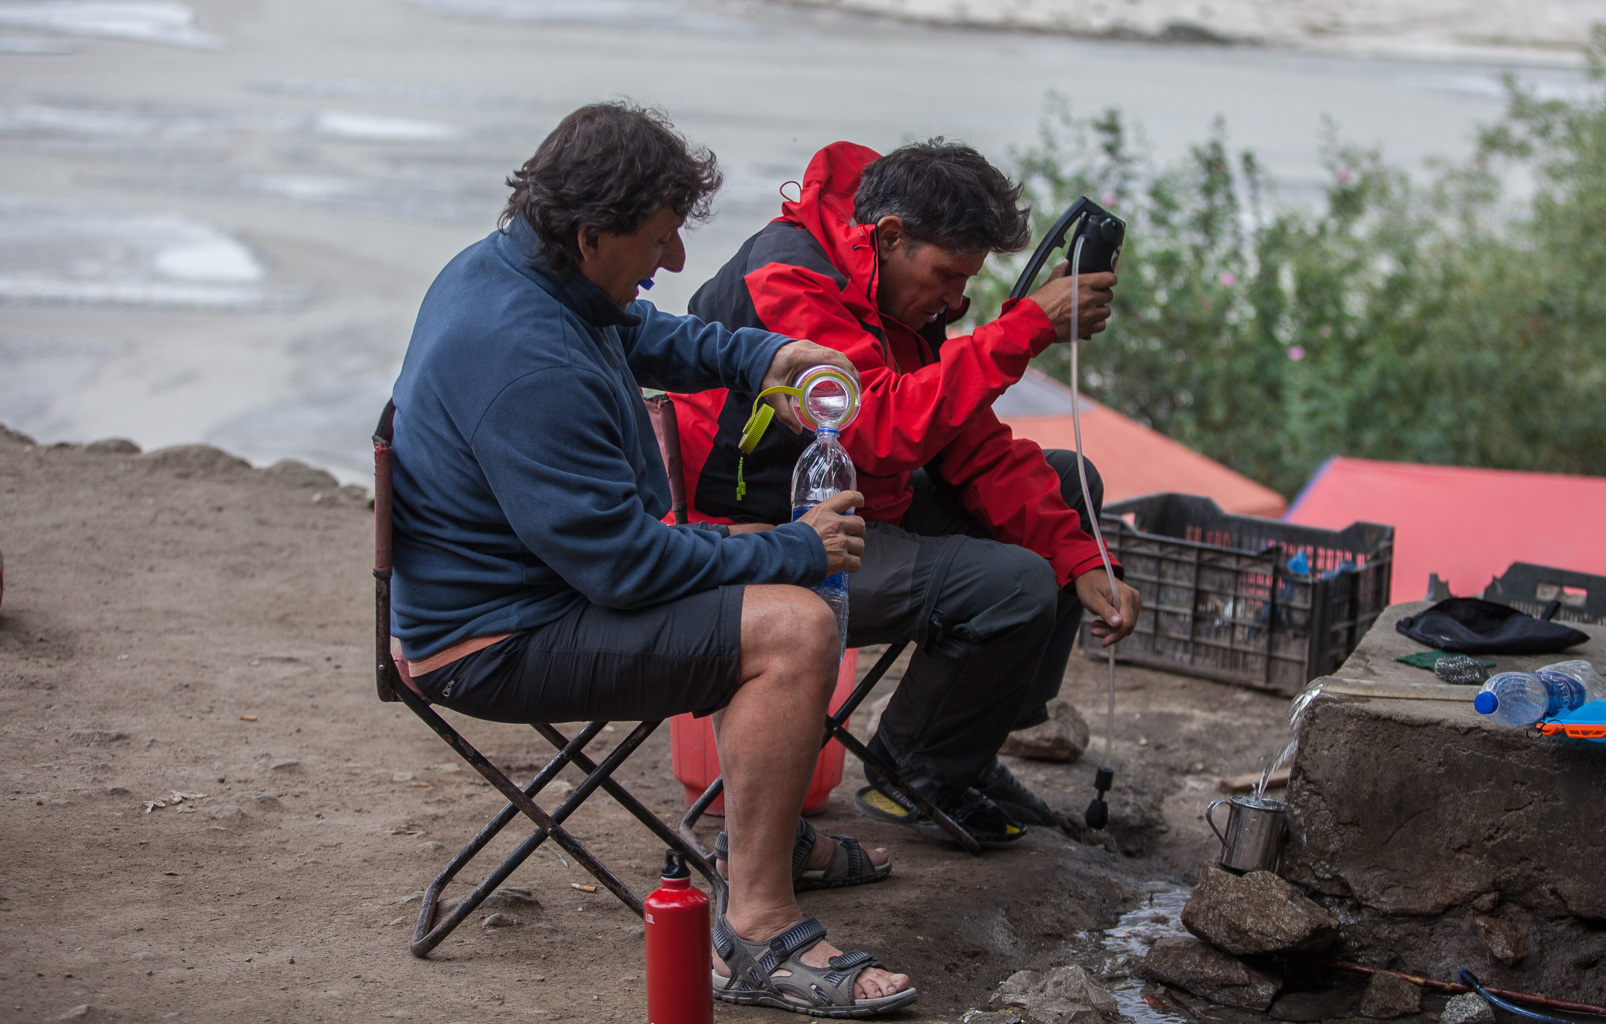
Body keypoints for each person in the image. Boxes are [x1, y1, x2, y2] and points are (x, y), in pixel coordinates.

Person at [386, 103, 914, 1015]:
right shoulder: (524, 358)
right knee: (795, 627)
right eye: (662, 241)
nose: (674, 263)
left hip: (539, 590)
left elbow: (639, 330)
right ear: (591, 235)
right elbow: (624, 570)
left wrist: (767, 355)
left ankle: (767, 837)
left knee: (780, 592)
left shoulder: (524, 270)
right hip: (493, 641)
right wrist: (793, 545)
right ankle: (754, 930)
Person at [668, 139, 1143, 845]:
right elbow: (876, 431)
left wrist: (1083, 560)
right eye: (948, 277)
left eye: (967, 283)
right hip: (757, 533)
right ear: (890, 237)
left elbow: (970, 443)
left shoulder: (896, 289)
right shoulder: (788, 274)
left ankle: (967, 750)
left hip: (856, 505)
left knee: (1071, 489)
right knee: (1014, 584)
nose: (955, 301)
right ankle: (917, 770)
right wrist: (1025, 329)